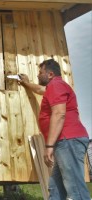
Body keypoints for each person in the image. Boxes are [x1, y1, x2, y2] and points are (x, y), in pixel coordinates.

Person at [18, 59, 90, 200]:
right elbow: (39, 89)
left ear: (50, 74)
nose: (38, 75)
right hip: (65, 142)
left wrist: (49, 145)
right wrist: (26, 83)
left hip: (68, 140)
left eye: (40, 72)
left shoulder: (56, 85)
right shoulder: (53, 87)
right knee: (55, 188)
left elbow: (59, 114)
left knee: (75, 190)